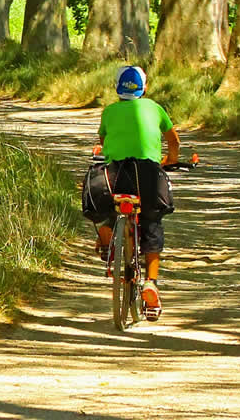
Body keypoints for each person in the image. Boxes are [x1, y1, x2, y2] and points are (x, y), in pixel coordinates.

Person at [85, 65, 182, 321]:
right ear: (145, 88)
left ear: (116, 88)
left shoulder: (110, 111)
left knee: (109, 204)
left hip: (116, 173)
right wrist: (170, 160)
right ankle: (151, 282)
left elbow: (105, 143)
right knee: (152, 221)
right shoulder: (155, 108)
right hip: (148, 174)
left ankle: (107, 241)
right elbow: (174, 141)